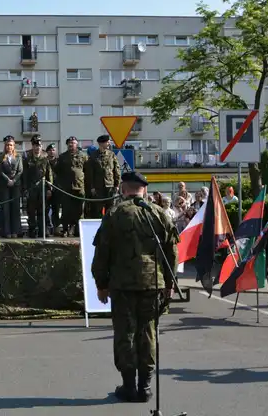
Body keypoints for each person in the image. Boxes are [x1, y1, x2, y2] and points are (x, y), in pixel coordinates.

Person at [91, 171, 178, 403]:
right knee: (148, 331)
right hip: (153, 283)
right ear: (144, 190)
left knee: (125, 333)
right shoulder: (159, 214)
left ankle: (129, 386)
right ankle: (146, 386)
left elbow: (102, 253)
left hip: (122, 284)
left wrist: (101, 284)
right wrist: (169, 283)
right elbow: (172, 252)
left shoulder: (114, 214)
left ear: (122, 189)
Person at [0, 135, 23, 238]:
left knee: (15, 208)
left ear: (14, 146)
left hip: (16, 185)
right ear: (5, 145)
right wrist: (8, 180)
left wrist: (14, 180)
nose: (9, 147)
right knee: (5, 208)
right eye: (7, 145)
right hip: (4, 184)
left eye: (11, 145)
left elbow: (20, 170)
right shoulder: (0, 156)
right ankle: (6, 232)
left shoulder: (18, 156)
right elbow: (0, 171)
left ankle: (16, 231)